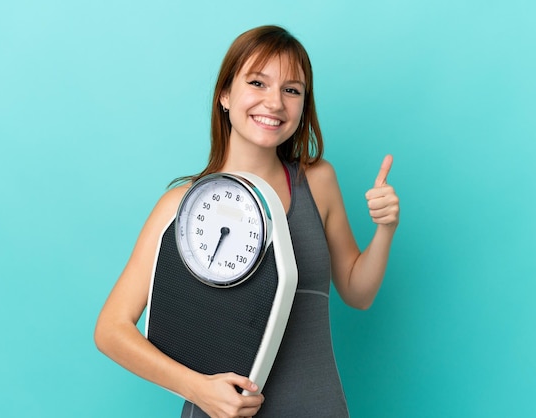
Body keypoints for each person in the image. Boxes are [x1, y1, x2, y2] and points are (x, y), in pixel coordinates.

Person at [94, 25, 400, 418]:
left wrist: (385, 229)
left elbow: (358, 294)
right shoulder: (178, 205)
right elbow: (111, 329)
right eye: (258, 82)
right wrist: (199, 389)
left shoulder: (318, 181)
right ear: (225, 94)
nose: (274, 102)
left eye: (292, 90)